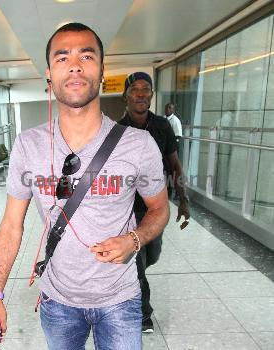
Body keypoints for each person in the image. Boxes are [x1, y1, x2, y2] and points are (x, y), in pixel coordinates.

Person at [0, 23, 170, 350]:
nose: (74, 64)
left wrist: (134, 239)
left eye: (86, 55)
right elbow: (11, 225)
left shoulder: (139, 144)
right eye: (62, 58)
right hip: (57, 302)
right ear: (49, 75)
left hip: (121, 300)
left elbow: (159, 209)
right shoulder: (27, 145)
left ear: (101, 71)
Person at [119, 72, 190, 333]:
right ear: (125, 95)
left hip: (156, 206)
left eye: (145, 89)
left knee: (152, 255)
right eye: (134, 89)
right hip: (128, 207)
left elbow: (174, 164)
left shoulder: (162, 126)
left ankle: (131, 278)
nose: (140, 93)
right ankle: (143, 315)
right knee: (137, 262)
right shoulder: (118, 130)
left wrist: (183, 200)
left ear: (151, 94)